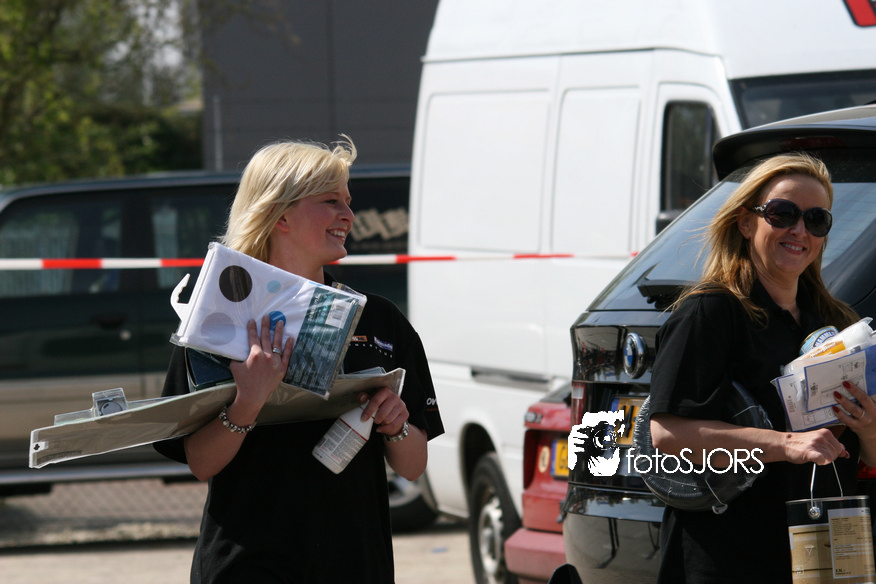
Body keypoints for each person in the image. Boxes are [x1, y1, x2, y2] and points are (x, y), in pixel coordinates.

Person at [154, 137, 443, 584]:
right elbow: (201, 463)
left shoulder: (380, 319)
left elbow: (413, 466)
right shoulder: (218, 317)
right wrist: (248, 402)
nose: (348, 215)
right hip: (249, 566)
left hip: (355, 563)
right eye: (330, 201)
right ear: (280, 214)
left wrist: (396, 423)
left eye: (348, 202)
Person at [647, 152, 876, 583]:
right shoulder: (710, 312)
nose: (800, 230)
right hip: (730, 555)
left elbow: (871, 454)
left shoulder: (838, 322)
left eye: (816, 219)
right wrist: (786, 444)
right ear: (745, 222)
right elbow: (668, 435)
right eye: (782, 213)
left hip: (826, 550)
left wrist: (868, 426)